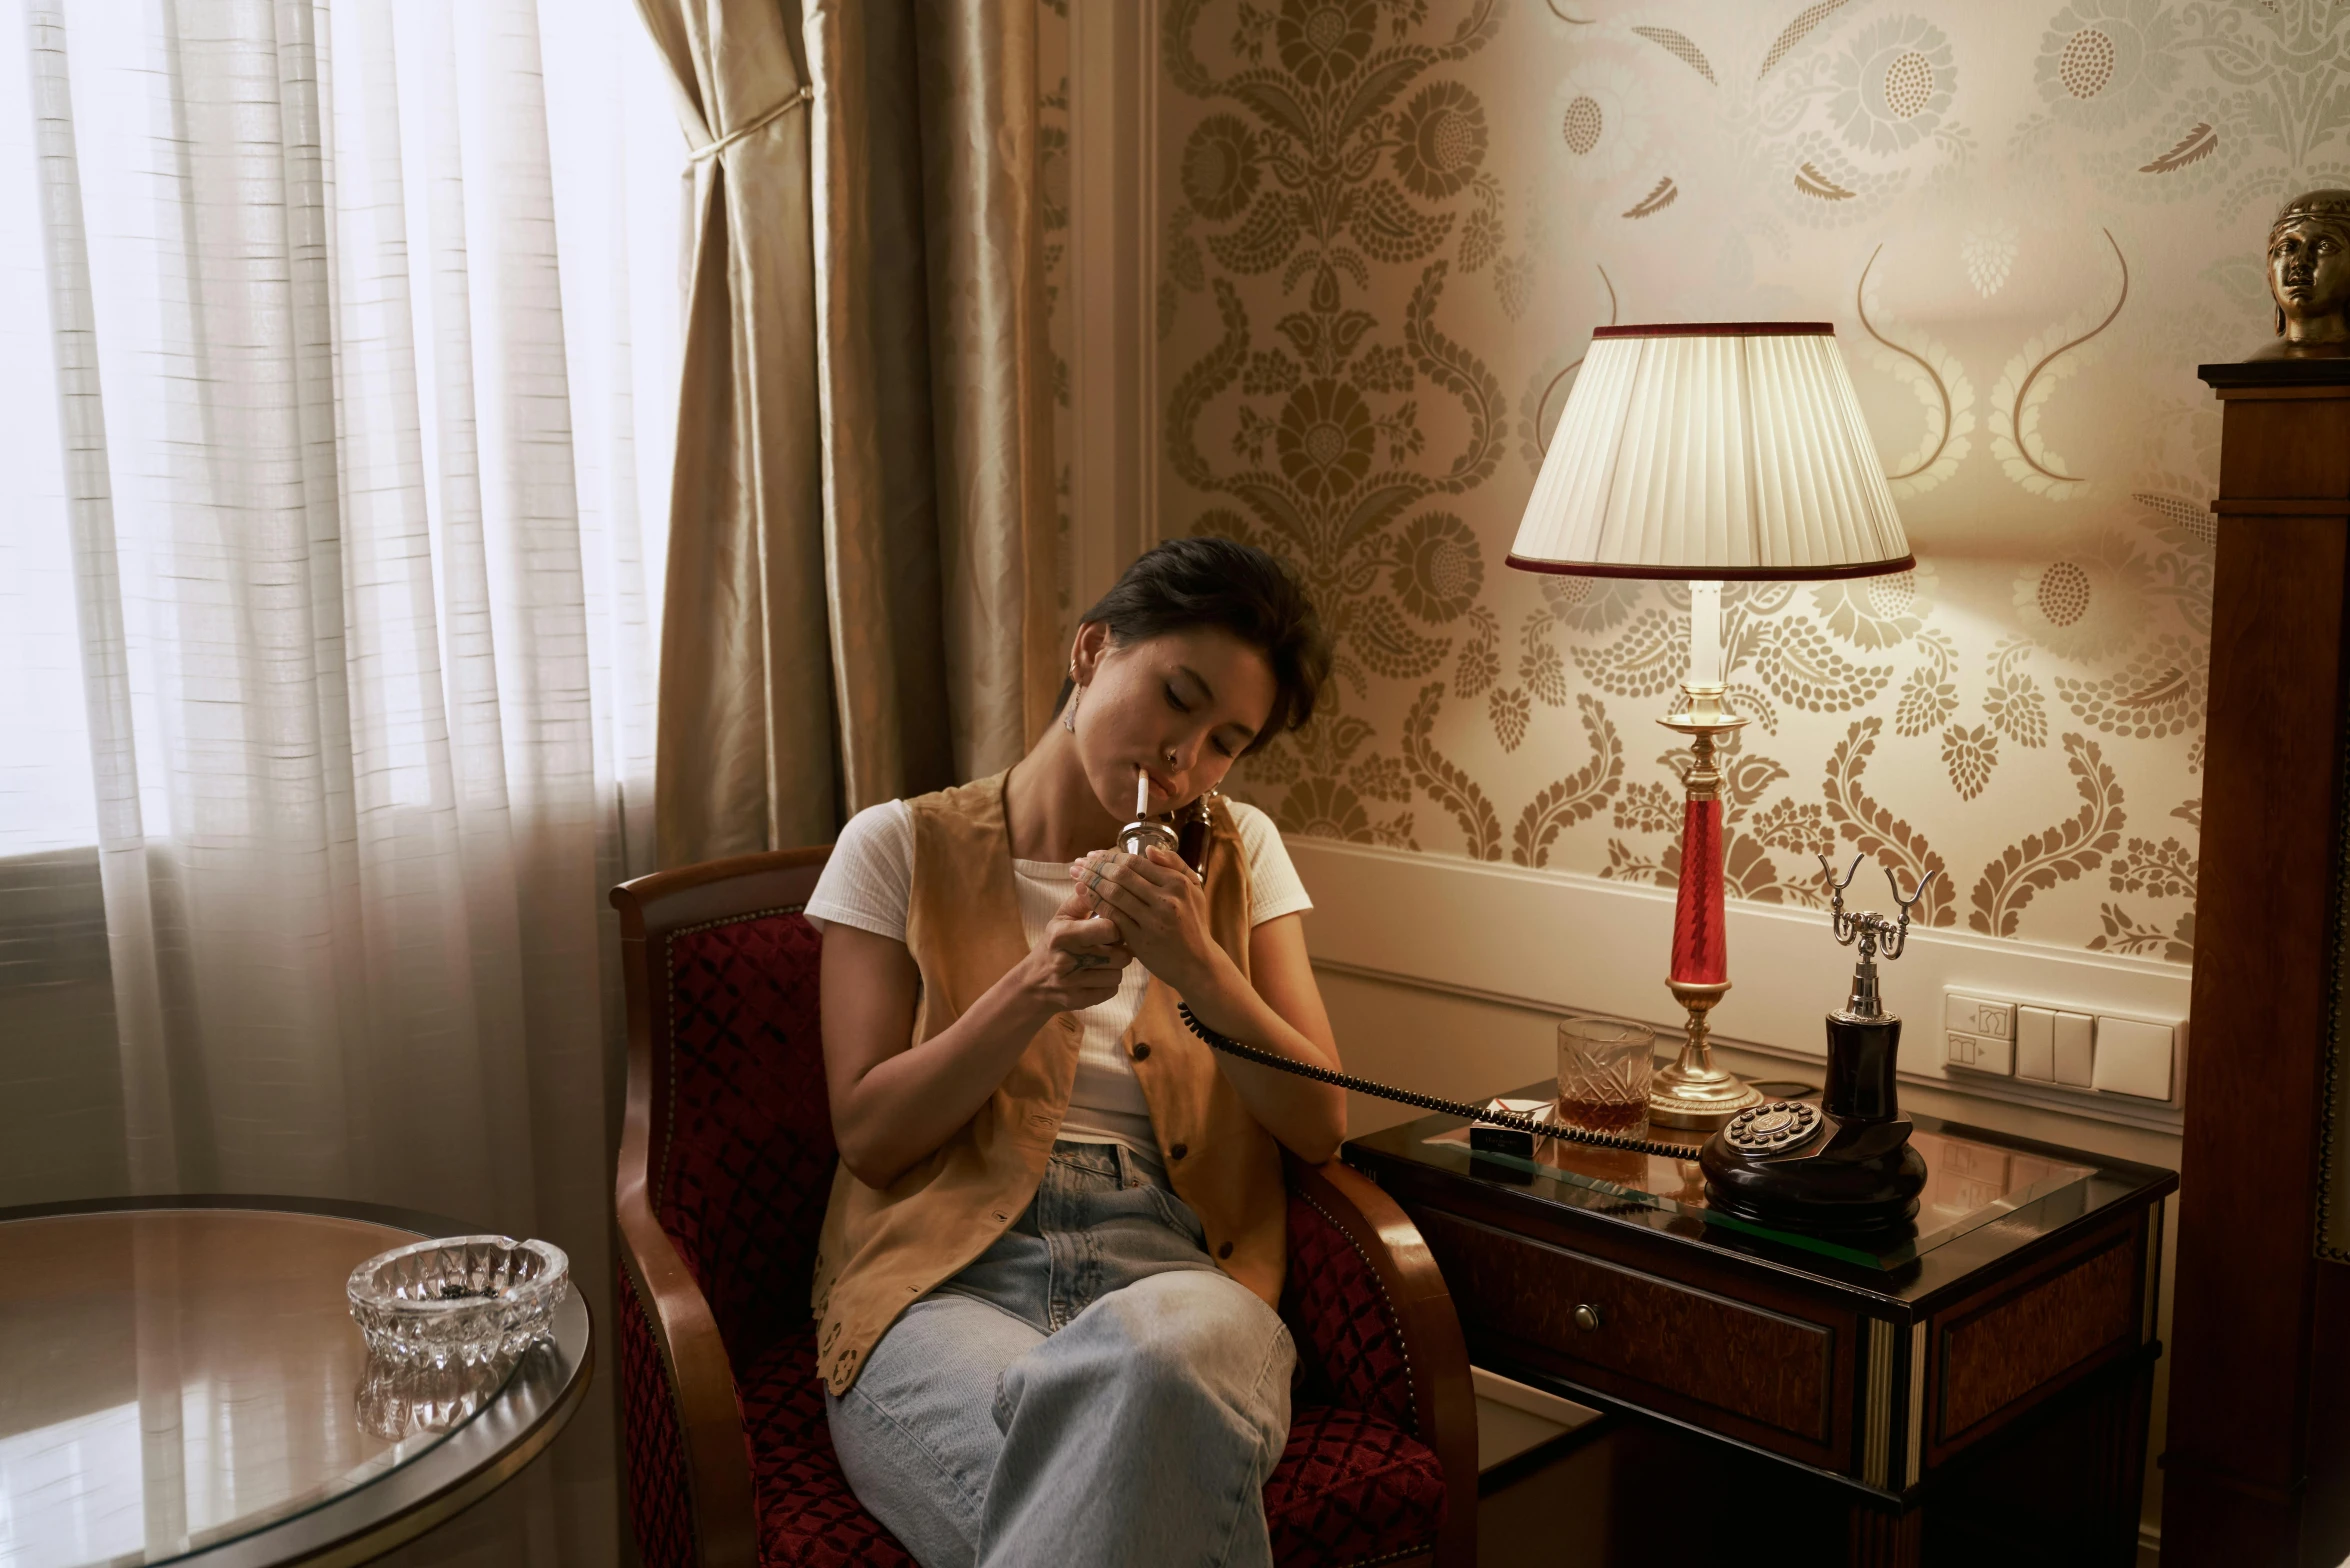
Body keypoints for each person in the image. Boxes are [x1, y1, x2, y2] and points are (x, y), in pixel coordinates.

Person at [804, 536, 1344, 1568]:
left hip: (1176, 1270)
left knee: (1160, 1367)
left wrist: (1201, 970)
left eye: (1226, 739)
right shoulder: (894, 844)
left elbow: (1319, 1123)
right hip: (944, 1279)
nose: (1185, 757)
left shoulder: (1242, 851)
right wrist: (1032, 988)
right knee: (1142, 1467)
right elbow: (870, 1135)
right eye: (1175, 696)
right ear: (1092, 649)